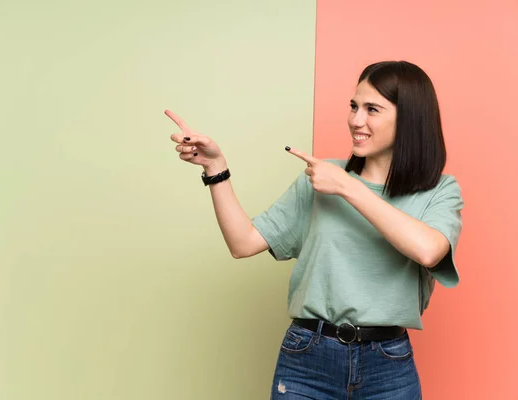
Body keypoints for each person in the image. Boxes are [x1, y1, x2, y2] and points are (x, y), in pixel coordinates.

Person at [166, 60, 463, 400]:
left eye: (372, 109)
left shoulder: (439, 190)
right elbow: (242, 243)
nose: (356, 120)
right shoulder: (321, 179)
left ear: (409, 118)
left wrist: (349, 187)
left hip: (388, 365)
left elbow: (429, 250)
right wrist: (215, 168)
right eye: (353, 106)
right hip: (307, 358)